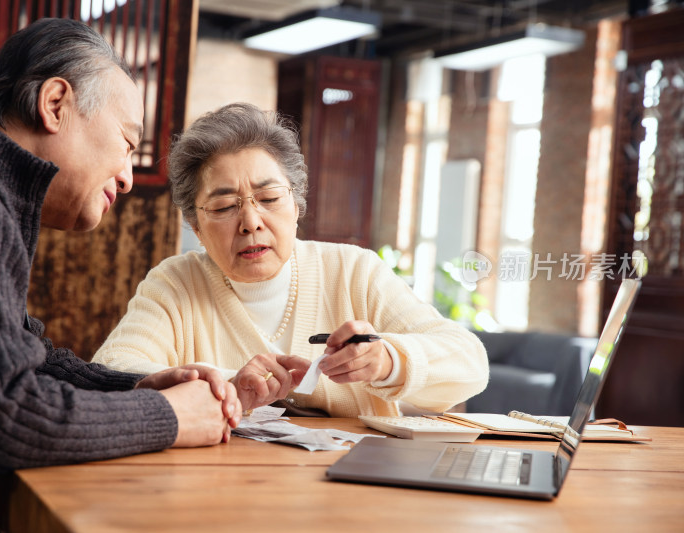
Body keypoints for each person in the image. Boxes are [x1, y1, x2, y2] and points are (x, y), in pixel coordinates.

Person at [0, 18, 241, 531]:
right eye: (126, 143)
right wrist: (172, 417)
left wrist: (138, 387)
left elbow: (21, 358)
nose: (127, 176)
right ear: (55, 104)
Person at [92, 102, 489, 417]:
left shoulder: (353, 272)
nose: (250, 222)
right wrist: (230, 384)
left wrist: (388, 362)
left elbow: (469, 363)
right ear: (196, 227)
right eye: (226, 206)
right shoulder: (176, 283)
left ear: (296, 205)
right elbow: (112, 372)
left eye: (268, 199)